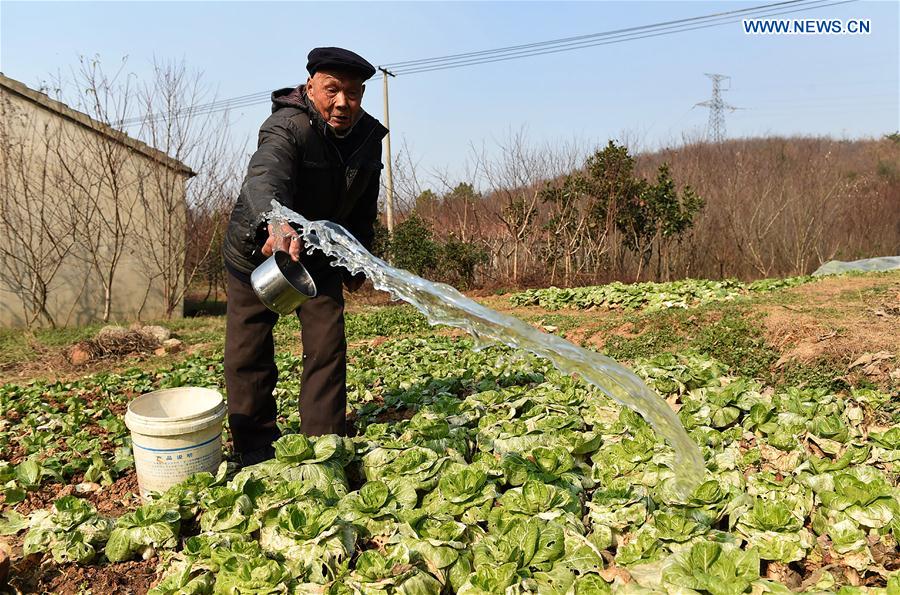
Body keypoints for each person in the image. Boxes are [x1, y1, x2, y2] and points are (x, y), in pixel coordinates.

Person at [221, 47, 388, 466]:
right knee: (249, 349)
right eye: (332, 90)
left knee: (327, 343)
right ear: (311, 84)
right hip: (260, 247)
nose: (342, 103)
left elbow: (365, 204)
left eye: (353, 94)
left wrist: (360, 257)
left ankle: (323, 442)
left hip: (318, 254)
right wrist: (275, 223)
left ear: (362, 94)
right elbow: (265, 176)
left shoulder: (369, 137)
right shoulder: (286, 126)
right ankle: (254, 445)